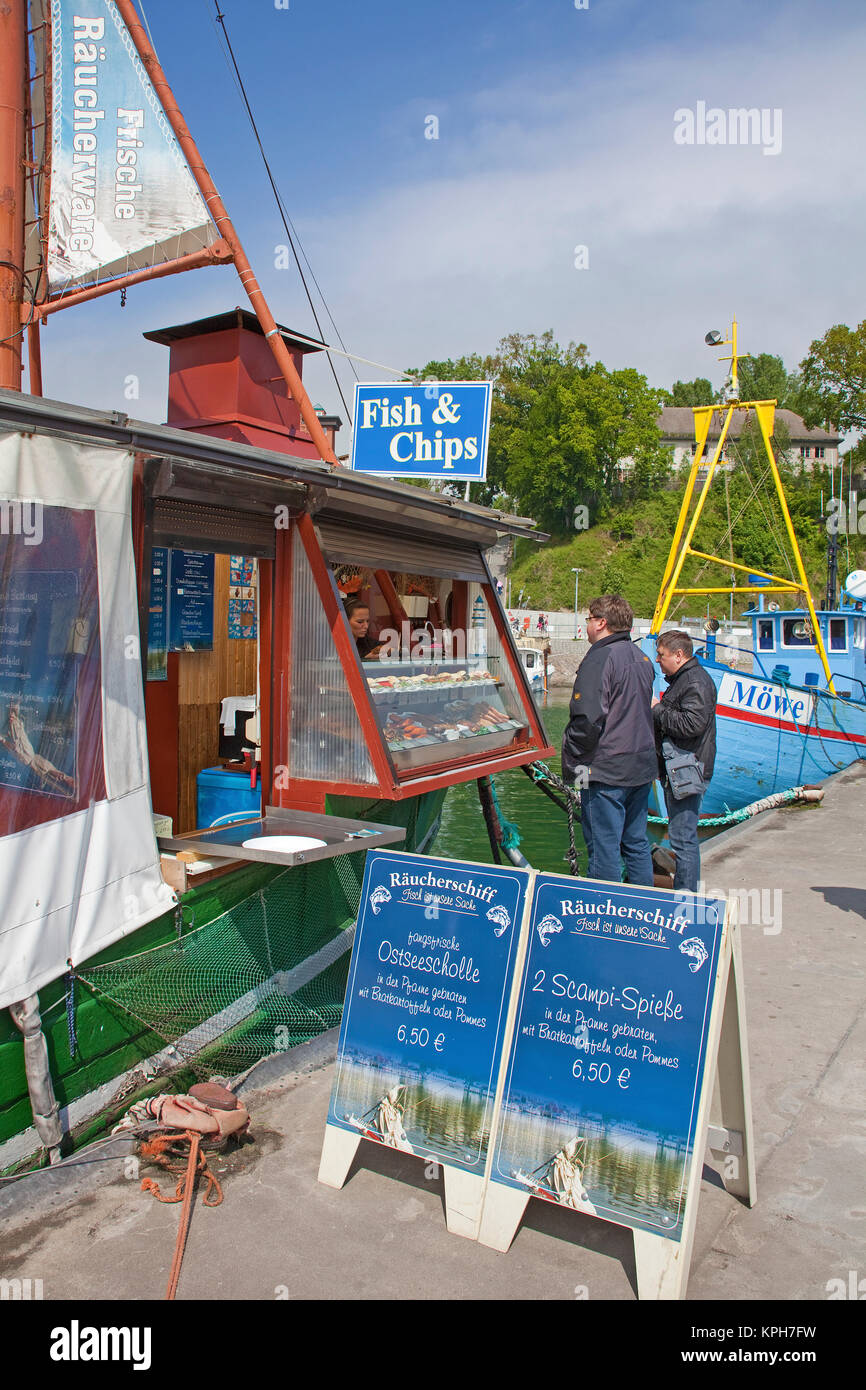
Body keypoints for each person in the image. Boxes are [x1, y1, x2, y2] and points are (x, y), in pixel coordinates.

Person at [561, 594, 656, 885]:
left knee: (604, 850)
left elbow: (588, 719)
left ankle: (604, 918)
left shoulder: (600, 658)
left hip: (605, 770)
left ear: (602, 623)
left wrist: (572, 764)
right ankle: (643, 909)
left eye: (589, 619)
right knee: (636, 843)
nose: (586, 625)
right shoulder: (641, 657)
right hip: (640, 766)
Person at [652, 629, 717, 892]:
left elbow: (692, 724)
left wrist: (657, 709)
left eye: (662, 655)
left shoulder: (695, 682)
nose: (658, 660)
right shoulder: (687, 680)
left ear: (679, 655)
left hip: (688, 770)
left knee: (683, 839)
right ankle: (685, 891)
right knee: (682, 836)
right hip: (681, 768)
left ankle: (686, 896)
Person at [343, 595, 381, 660]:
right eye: (360, 622)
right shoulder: (333, 646)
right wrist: (365, 659)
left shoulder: (367, 642)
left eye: (368, 621)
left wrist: (389, 650)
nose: (366, 626)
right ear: (344, 621)